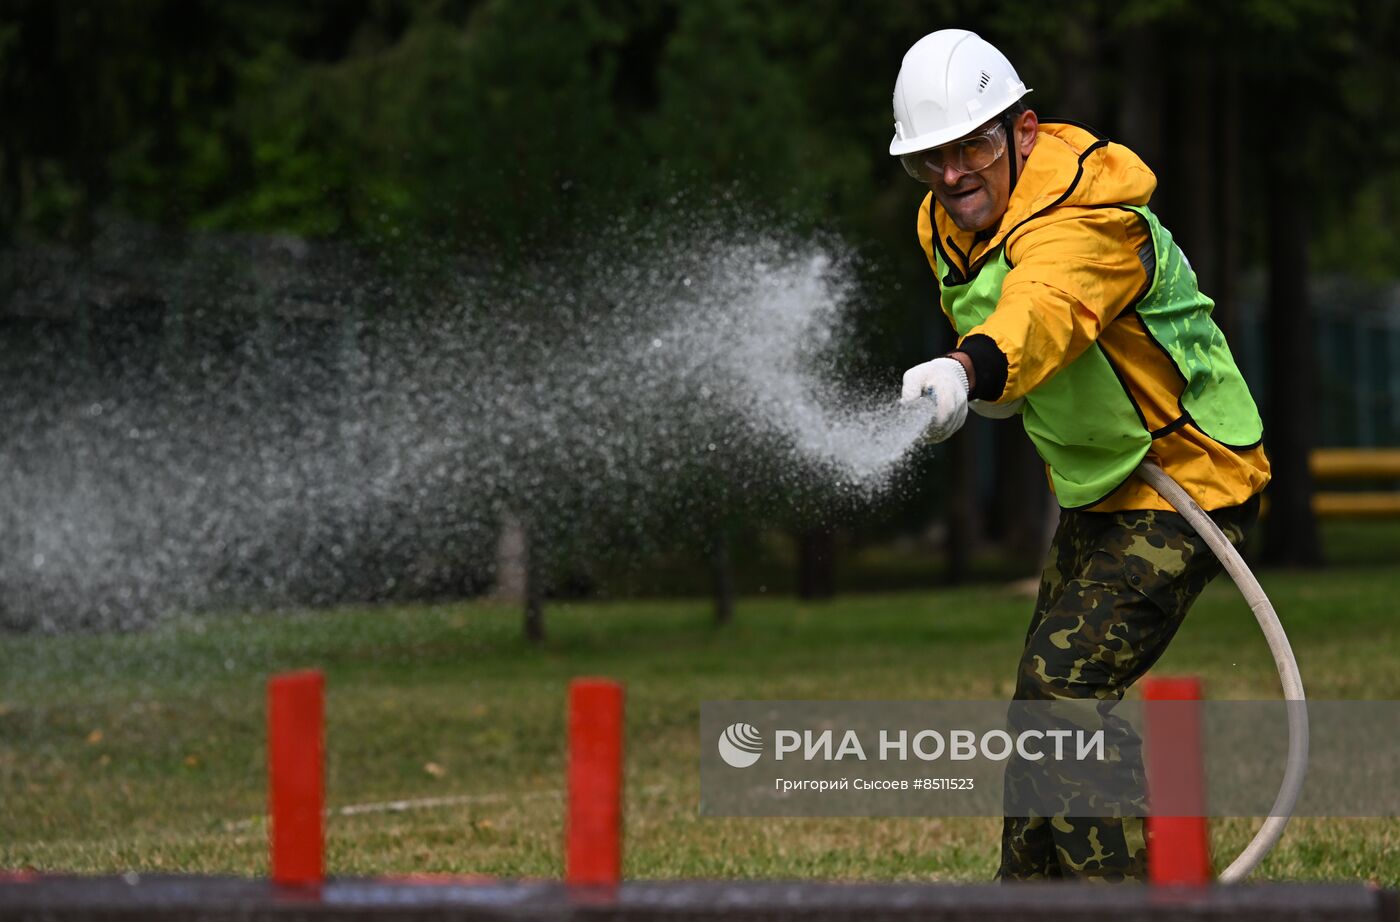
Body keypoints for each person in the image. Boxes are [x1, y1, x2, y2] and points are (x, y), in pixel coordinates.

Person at [889, 29, 1270, 881]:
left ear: (1023, 131)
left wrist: (967, 368)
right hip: (1103, 487)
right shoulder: (943, 223)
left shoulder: (1092, 213)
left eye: (972, 147)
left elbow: (1047, 306)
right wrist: (982, 381)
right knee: (1041, 704)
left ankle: (1125, 901)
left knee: (1063, 688)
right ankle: (1025, 899)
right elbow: (1005, 323)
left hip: (1194, 483)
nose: (952, 176)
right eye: (929, 160)